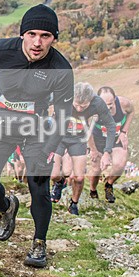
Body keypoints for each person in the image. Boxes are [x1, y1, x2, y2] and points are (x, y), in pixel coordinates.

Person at [0, 4, 74, 268]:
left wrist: (49, 149)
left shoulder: (60, 69)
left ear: (54, 38)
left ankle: (39, 243)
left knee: (39, 188)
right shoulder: (2, 50)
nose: (37, 42)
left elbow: (63, 113)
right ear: (22, 34)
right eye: (31, 34)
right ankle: (6, 206)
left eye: (45, 36)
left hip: (36, 131)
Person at [50, 82, 114, 215]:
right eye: (76, 105)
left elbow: (111, 125)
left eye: (83, 106)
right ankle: (59, 182)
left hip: (78, 139)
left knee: (79, 178)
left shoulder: (98, 103)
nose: (79, 109)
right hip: (58, 136)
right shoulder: (63, 95)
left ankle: (73, 204)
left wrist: (107, 151)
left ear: (91, 101)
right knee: (53, 174)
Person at [87, 86, 134, 203]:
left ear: (115, 99)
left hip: (116, 139)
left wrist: (124, 132)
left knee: (119, 164)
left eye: (110, 104)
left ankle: (109, 184)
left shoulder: (124, 104)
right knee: (96, 170)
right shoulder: (91, 110)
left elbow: (131, 111)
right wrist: (92, 149)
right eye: (104, 104)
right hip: (98, 140)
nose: (108, 107)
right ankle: (93, 190)